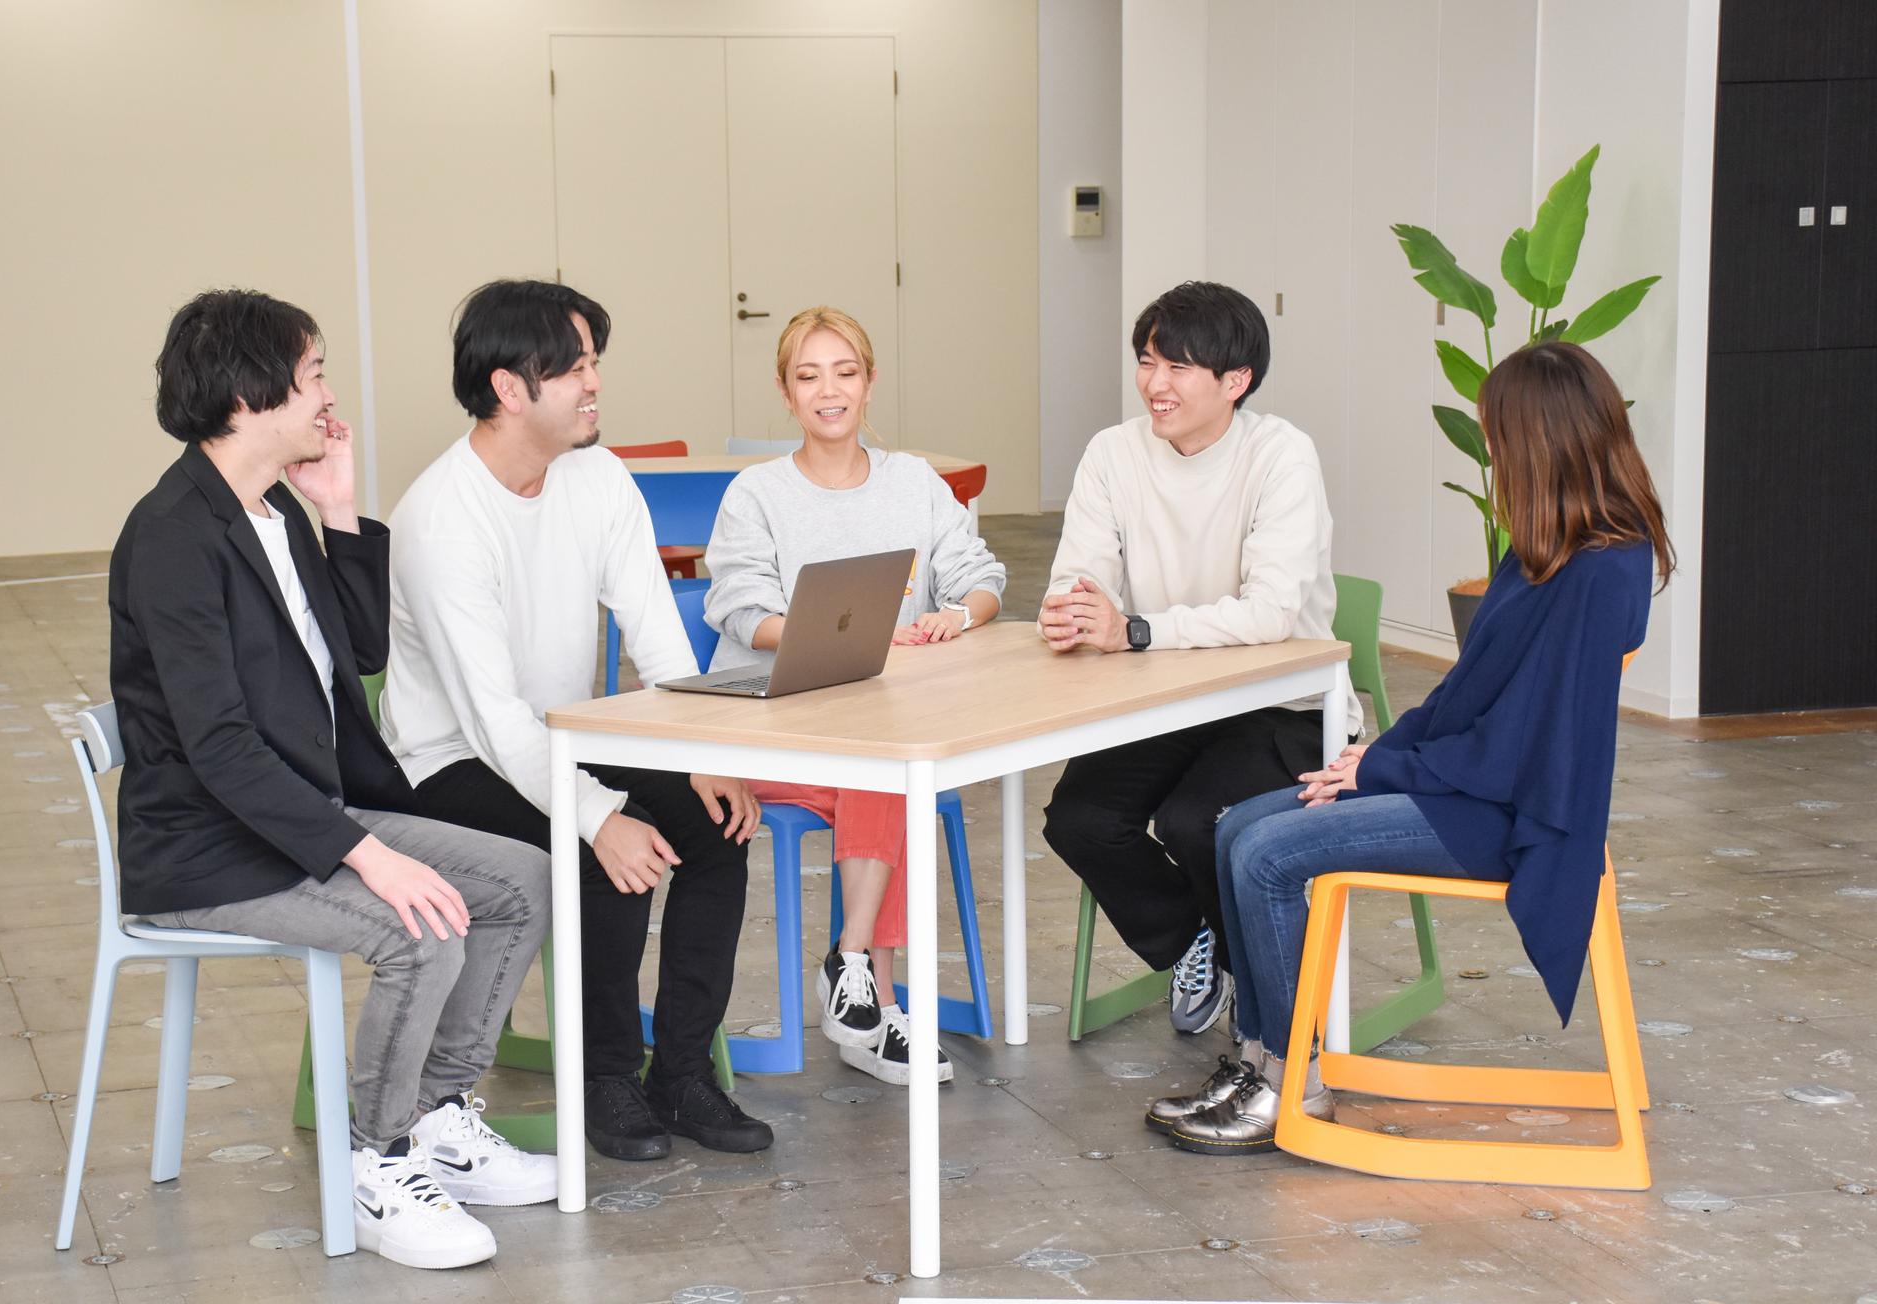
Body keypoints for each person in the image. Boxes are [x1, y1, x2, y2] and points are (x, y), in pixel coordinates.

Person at [109, 290, 555, 1271]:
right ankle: (376, 1160)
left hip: (296, 813)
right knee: (419, 924)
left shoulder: (270, 512)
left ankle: (433, 1114)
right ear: (247, 395)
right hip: (205, 846)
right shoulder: (174, 536)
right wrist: (369, 855)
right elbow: (221, 747)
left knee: (523, 879)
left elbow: (357, 650)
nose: (329, 396)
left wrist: (339, 509)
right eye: (313, 375)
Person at [1153, 340, 1674, 1155]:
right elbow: (1471, 695)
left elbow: (1528, 745)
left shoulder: (1600, 572)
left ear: (1540, 439)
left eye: (1497, 435)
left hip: (1515, 817)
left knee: (1266, 855)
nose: (1491, 452)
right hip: (1470, 786)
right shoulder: (1548, 549)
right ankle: (1259, 1057)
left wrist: (1388, 767)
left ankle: (1295, 1079)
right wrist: (1372, 757)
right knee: (1234, 827)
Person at [382, 279, 772, 1164]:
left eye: (594, 362)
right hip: (450, 762)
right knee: (602, 851)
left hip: (561, 736)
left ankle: (681, 1074)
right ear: (509, 388)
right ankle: (605, 1076)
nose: (595, 384)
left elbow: (660, 642)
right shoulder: (442, 520)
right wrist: (599, 816)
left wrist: (702, 755)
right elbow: (494, 726)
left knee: (717, 823)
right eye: (574, 369)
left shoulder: (597, 476)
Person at [1037, 281, 1360, 1037]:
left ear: (1235, 380)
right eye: (1148, 362)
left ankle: (1267, 998)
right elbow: (1078, 574)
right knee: (1079, 819)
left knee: (1200, 822)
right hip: (1167, 697)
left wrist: (1134, 630)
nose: (1155, 383)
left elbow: (1271, 612)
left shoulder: (1280, 455)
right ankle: (1194, 940)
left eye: (1178, 367)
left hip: (1283, 703)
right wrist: (1072, 609)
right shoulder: (1113, 453)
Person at [704, 305, 1006, 1085]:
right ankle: (872, 995)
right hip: (772, 727)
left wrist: (957, 615)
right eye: (808, 376)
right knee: (890, 768)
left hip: (874, 727)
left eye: (845, 372)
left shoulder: (912, 482)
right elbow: (741, 608)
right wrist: (836, 638)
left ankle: (857, 975)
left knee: (886, 759)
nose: (829, 390)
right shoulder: (757, 492)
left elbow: (979, 577)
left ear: (870, 383)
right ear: (786, 392)